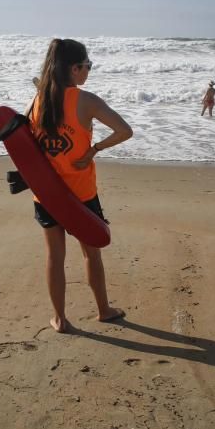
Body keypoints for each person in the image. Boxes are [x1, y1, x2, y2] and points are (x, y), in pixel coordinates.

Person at [28, 38, 133, 333]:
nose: (88, 71)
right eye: (88, 66)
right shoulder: (84, 100)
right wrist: (93, 149)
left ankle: (60, 319)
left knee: (55, 257)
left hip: (46, 195)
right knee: (91, 253)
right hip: (81, 194)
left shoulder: (37, 100)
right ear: (75, 69)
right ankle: (103, 310)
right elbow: (125, 130)